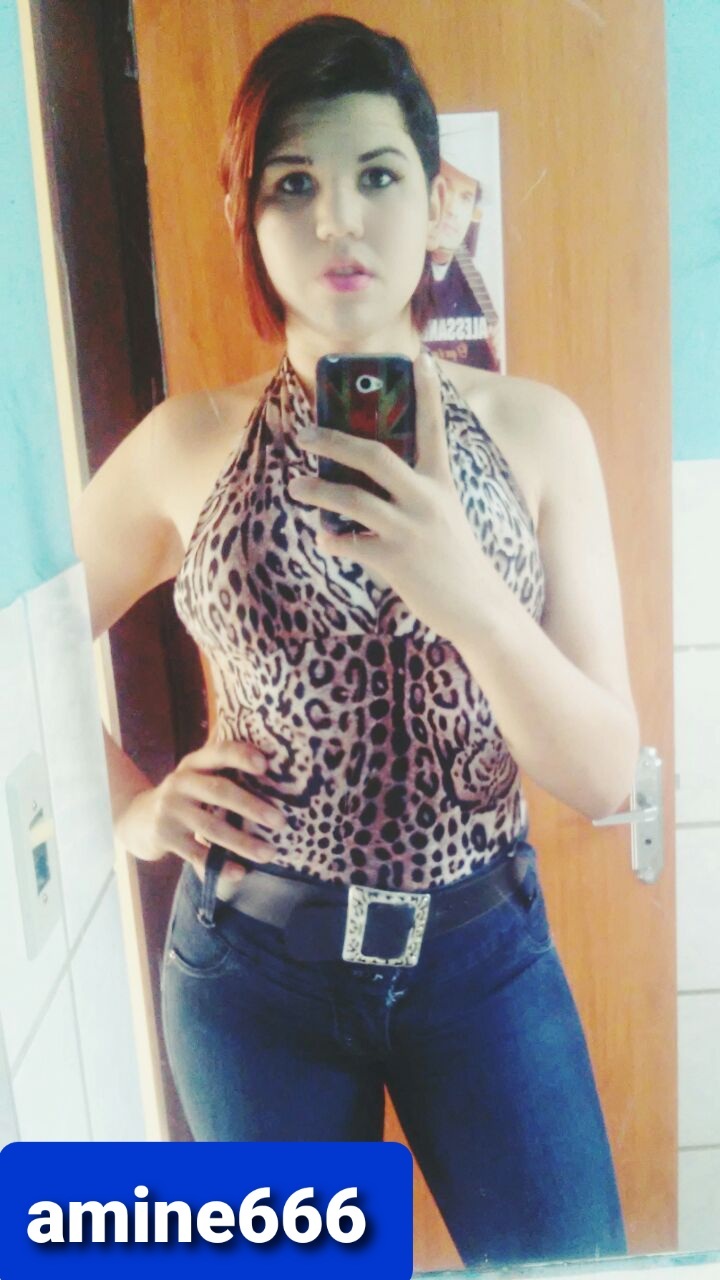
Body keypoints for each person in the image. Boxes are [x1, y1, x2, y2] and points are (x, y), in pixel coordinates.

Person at [73, 13, 639, 1267]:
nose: (338, 221)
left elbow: (605, 772)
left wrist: (465, 589)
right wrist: (132, 809)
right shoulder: (186, 445)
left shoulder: (539, 432)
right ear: (247, 216)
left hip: (486, 958)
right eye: (294, 184)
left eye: (377, 175)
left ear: (437, 203)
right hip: (254, 976)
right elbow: (28, 640)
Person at [423, 136, 501, 370]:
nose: (452, 209)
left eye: (465, 198)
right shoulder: (399, 276)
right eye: (443, 191)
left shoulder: (473, 283)